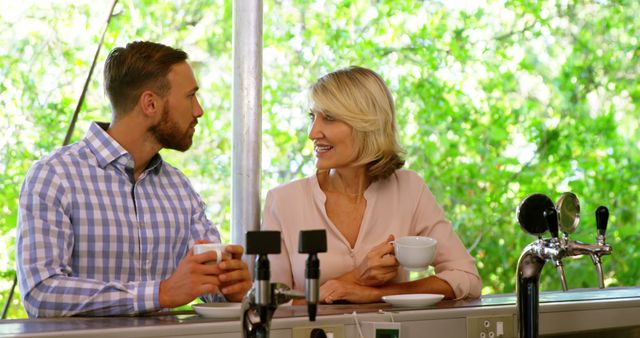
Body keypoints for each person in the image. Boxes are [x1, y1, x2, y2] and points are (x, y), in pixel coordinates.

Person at [16, 41, 251, 317]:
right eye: (190, 96)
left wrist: (232, 290)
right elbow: (41, 294)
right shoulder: (54, 176)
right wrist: (160, 293)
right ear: (150, 103)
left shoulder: (180, 188)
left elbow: (213, 289)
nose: (198, 110)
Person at [261, 66, 481, 303]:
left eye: (330, 118)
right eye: (312, 117)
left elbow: (466, 278)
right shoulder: (283, 201)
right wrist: (357, 278)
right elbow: (270, 303)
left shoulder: (409, 189)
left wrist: (375, 293)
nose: (313, 132)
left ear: (367, 124)